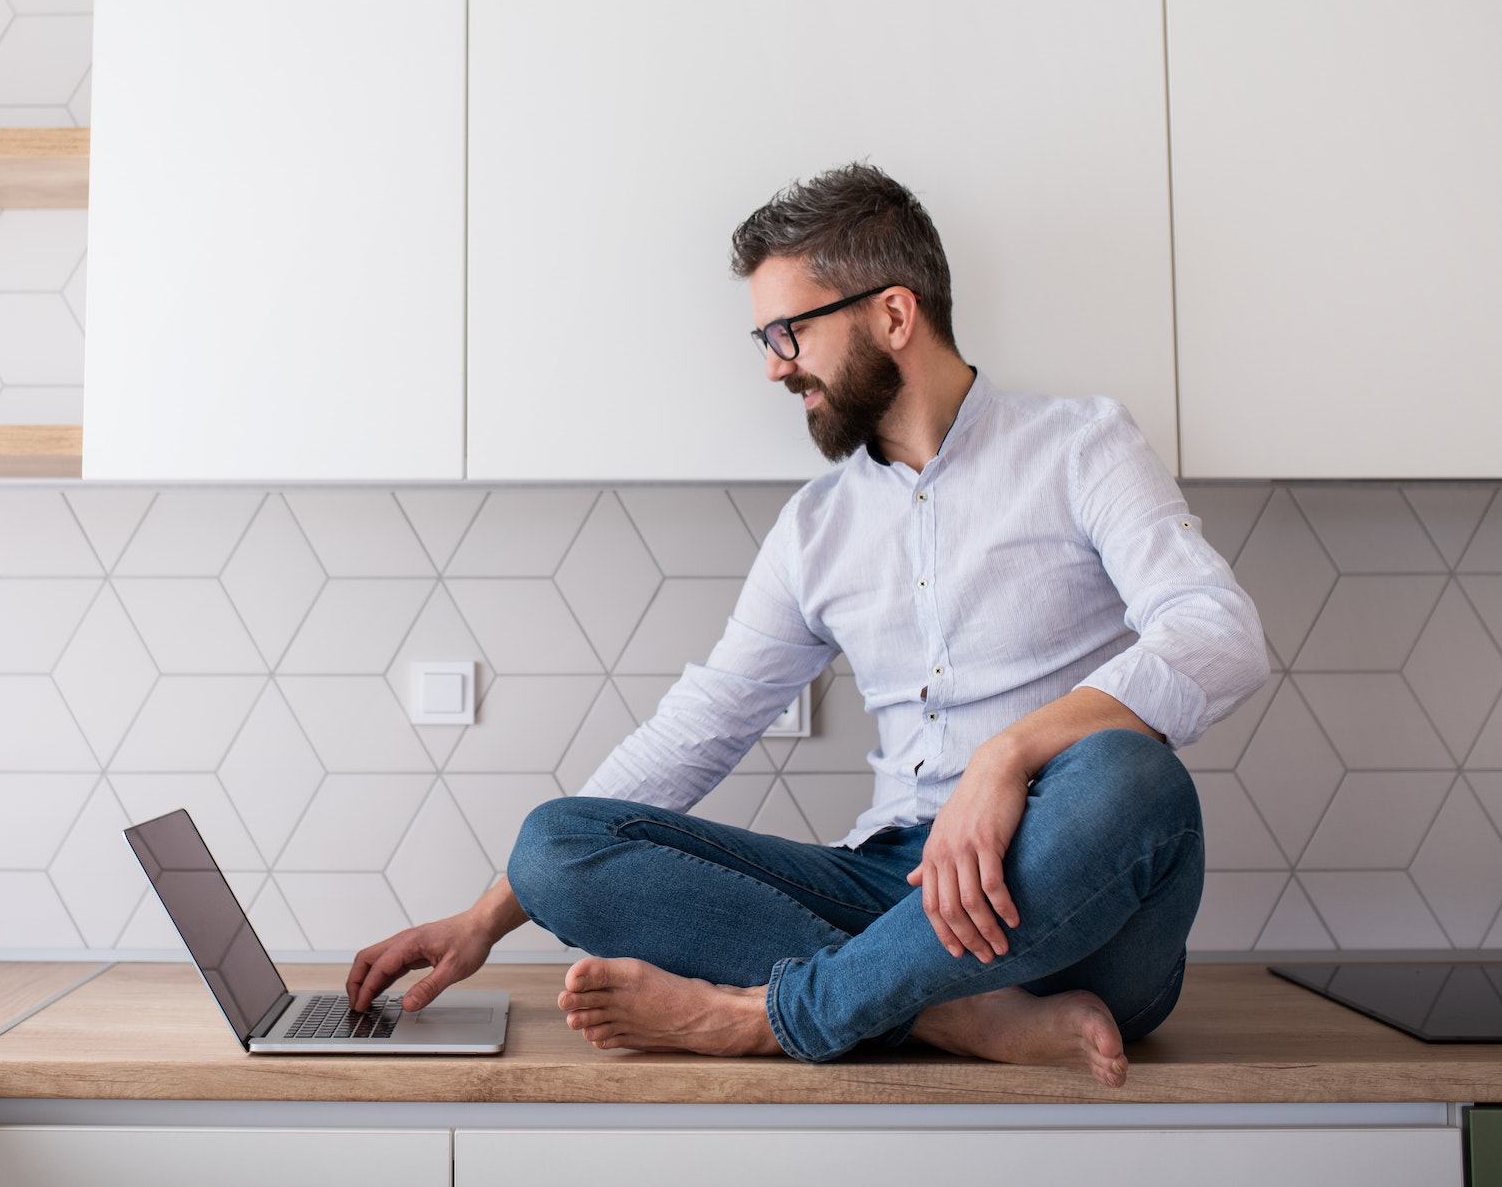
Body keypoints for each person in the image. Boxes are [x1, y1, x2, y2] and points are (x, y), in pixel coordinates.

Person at [347, 164, 1268, 1085]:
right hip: (887, 890)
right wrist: (484, 917)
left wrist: (1011, 755)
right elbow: (701, 726)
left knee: (1132, 777)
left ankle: (774, 1014)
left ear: (893, 316)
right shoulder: (815, 527)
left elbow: (1218, 630)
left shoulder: (1082, 446)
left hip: (1069, 905)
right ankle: (946, 1010)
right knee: (554, 845)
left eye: (789, 332)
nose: (774, 365)